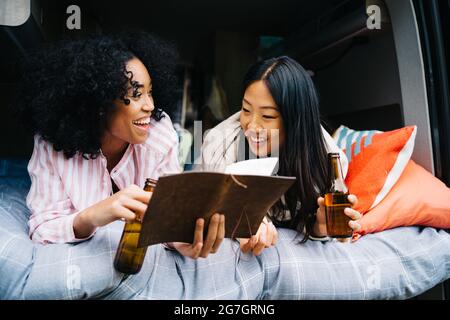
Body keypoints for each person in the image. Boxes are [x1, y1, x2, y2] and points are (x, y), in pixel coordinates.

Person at [16, 32, 225, 259]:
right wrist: (92, 216)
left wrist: (179, 241)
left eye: (150, 92)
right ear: (100, 102)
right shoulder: (50, 144)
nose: (150, 105)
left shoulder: (160, 135)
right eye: (136, 94)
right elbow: (42, 230)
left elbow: (169, 216)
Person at [201, 56, 362, 250]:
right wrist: (244, 222)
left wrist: (320, 226)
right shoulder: (220, 147)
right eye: (246, 109)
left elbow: (312, 226)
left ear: (295, 119)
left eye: (267, 116)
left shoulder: (327, 159)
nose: (252, 126)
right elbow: (211, 213)